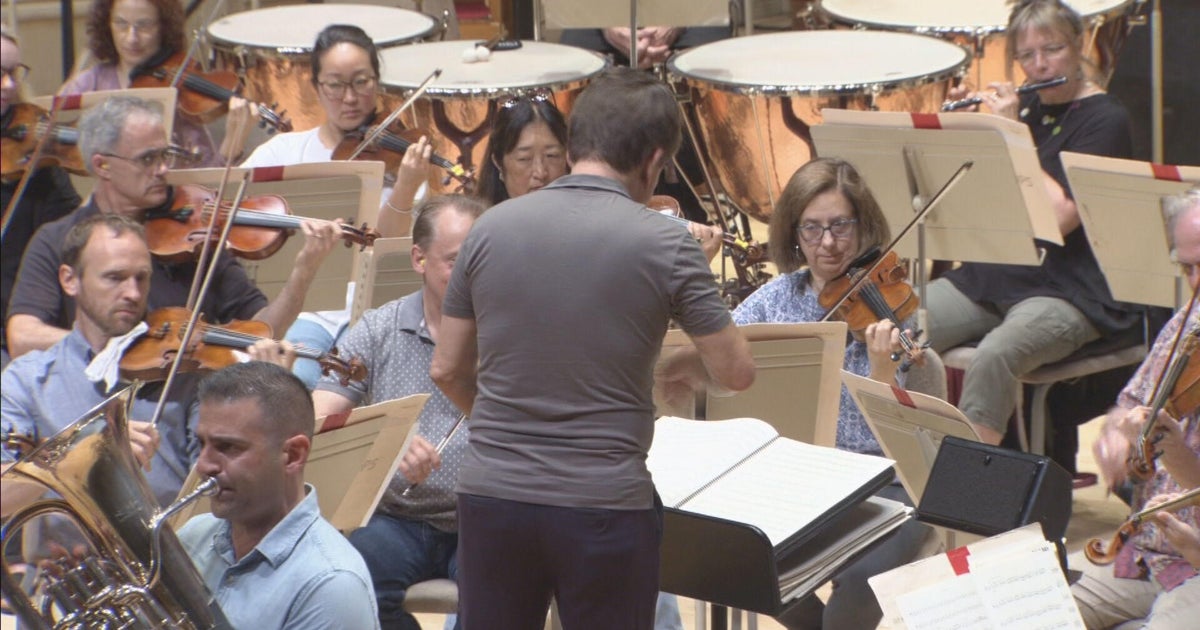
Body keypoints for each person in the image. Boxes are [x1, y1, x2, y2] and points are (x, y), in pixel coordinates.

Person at [431, 67, 756, 629]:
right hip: (604, 505)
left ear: (576, 144)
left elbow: (446, 368)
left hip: (493, 499)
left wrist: (507, 429)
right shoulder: (668, 243)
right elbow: (737, 370)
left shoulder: (488, 229)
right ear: (655, 160)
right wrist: (688, 364)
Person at [731, 156, 943, 629]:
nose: (827, 244)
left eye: (840, 226)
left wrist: (882, 369)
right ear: (793, 233)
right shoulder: (776, 300)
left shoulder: (891, 305)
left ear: (863, 226)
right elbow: (721, 352)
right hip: (797, 479)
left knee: (863, 584)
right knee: (741, 562)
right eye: (811, 229)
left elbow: (899, 440)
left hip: (883, 483)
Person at [924, 0, 1144, 446]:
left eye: (1053, 49)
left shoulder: (1106, 120)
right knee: (900, 323)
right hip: (998, 275)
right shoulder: (1024, 113)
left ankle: (971, 488)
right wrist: (964, 132)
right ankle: (909, 453)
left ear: (1079, 46)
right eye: (1027, 55)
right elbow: (971, 205)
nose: (1040, 65)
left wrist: (1010, 134)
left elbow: (1059, 218)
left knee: (995, 356)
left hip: (1070, 289)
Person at [5, 94, 339, 358]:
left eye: (166, 155)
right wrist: (120, 354)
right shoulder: (56, 239)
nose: (163, 169)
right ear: (102, 165)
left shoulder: (193, 232)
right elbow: (22, 337)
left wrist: (302, 275)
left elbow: (263, 327)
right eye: (148, 159)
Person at [312, 194, 483, 629]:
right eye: (455, 261)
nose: (471, 275)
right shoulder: (378, 328)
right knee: (352, 582)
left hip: (483, 517)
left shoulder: (512, 332)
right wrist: (389, 443)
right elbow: (321, 420)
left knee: (500, 595)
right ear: (419, 259)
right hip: (396, 519)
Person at [239, 23, 434, 387]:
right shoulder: (281, 152)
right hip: (305, 313)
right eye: (336, 84)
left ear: (377, 82)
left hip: (372, 316)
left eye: (361, 82)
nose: (350, 97)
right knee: (298, 383)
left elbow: (381, 249)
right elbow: (232, 211)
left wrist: (406, 187)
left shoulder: (400, 161)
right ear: (316, 86)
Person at [2, 214, 194, 510]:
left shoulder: (183, 372)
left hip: (168, 547)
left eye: (141, 278)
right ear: (70, 280)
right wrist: (82, 453)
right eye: (115, 278)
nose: (132, 293)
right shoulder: (28, 379)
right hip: (64, 554)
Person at [1072, 190, 1200, 629]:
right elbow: (1129, 405)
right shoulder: (1187, 323)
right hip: (1143, 552)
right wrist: (1114, 434)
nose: (1198, 282)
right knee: (1028, 608)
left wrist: (1180, 458)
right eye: (1188, 268)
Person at [177, 361, 380, 630]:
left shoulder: (332, 585)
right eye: (202, 444)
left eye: (227, 447)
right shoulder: (193, 536)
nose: (203, 466)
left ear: (293, 455)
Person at [477, 95, 723, 264]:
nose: (540, 172)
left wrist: (692, 267)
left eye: (552, 156)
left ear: (569, 157)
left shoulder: (598, 231)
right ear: (499, 162)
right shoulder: (483, 236)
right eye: (524, 159)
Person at [60, 0, 255, 167]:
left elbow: (207, 183)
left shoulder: (179, 92)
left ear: (164, 28)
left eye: (143, 26)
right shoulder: (89, 82)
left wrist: (231, 146)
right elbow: (53, 119)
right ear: (107, 25)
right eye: (121, 24)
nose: (132, 37)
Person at [1, 27, 82, 367]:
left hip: (17, 323)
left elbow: (73, 233)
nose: (8, 85)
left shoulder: (38, 162)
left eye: (13, 73)